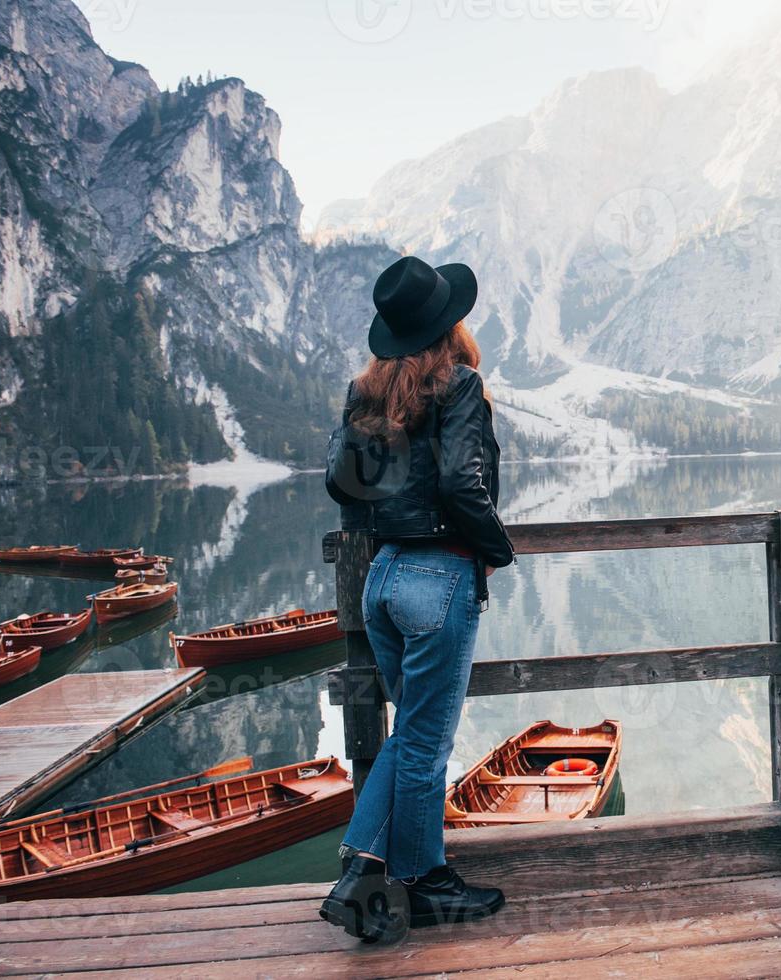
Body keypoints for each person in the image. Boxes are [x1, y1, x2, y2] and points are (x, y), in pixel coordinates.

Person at [320, 255, 514, 944]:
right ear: (448, 324)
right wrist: (497, 547)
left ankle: (380, 871)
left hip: (381, 578)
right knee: (426, 744)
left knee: (411, 737)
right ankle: (415, 882)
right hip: (438, 577)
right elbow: (464, 483)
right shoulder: (460, 385)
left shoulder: (365, 393)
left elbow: (340, 487)